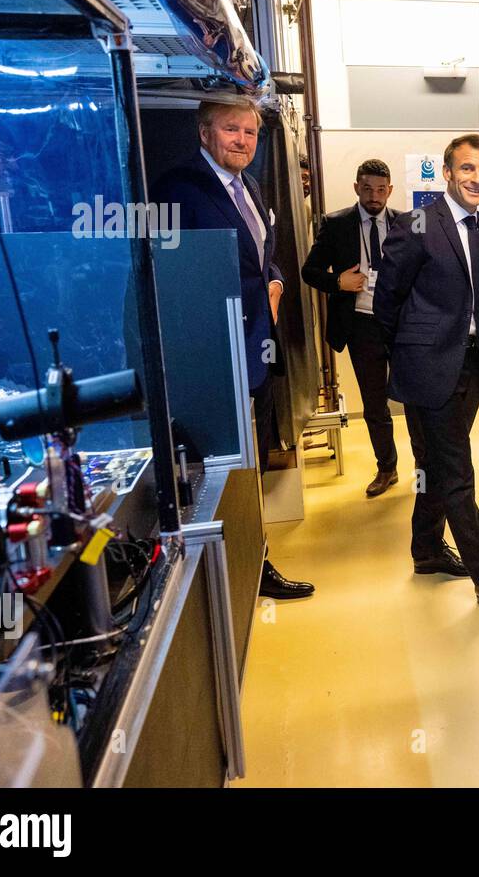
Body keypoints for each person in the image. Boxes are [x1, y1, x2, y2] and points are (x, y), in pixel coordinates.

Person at [152, 98, 315, 601]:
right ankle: (224, 580)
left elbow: (264, 259)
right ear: (205, 133)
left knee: (254, 466)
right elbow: (171, 279)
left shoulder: (251, 187)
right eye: (231, 129)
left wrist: (277, 283)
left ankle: (253, 561)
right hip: (214, 358)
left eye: (250, 131)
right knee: (220, 473)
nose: (243, 140)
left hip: (256, 353)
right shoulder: (179, 190)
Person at [373, 135, 479, 615]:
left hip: (469, 364)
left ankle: (426, 549)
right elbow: (387, 299)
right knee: (458, 473)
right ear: (446, 172)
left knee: (433, 465)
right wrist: (410, 354)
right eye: (467, 169)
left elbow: (478, 300)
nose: (476, 179)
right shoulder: (417, 221)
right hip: (428, 366)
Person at [302, 160, 401, 497]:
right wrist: (338, 282)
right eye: (368, 188)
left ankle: (427, 467)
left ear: (390, 190)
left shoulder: (405, 224)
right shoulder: (336, 224)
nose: (375, 195)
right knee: (375, 404)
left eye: (381, 189)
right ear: (357, 187)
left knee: (417, 400)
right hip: (361, 327)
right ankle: (387, 467)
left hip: (401, 327)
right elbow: (309, 271)